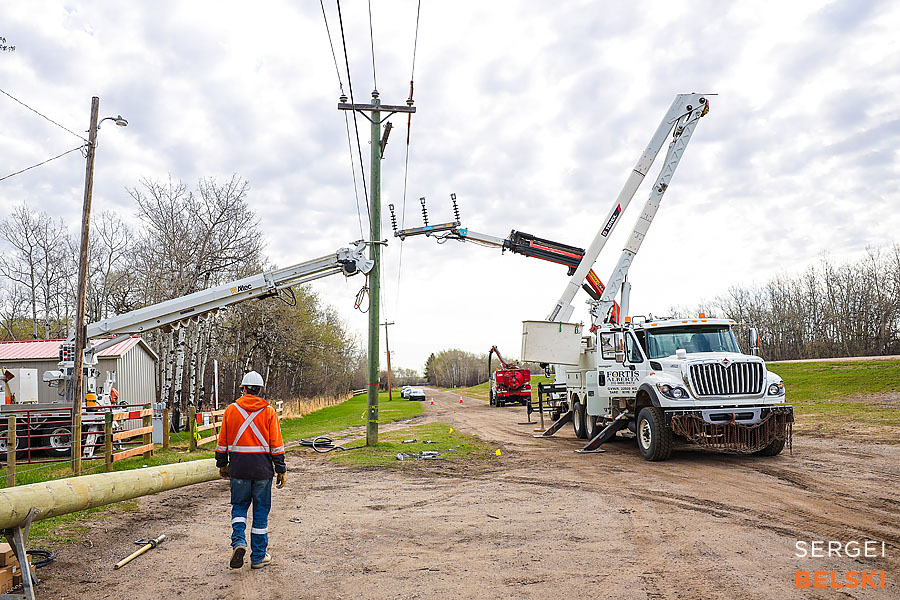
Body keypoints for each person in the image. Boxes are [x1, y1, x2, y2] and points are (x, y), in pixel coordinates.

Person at [216, 370, 286, 569]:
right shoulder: (269, 412)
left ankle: (238, 541)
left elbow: (222, 443)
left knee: (239, 508)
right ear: (261, 390)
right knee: (261, 513)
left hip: (238, 470)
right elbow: (277, 445)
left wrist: (222, 464)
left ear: (244, 389)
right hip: (263, 471)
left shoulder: (231, 410)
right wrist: (281, 469)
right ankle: (258, 557)